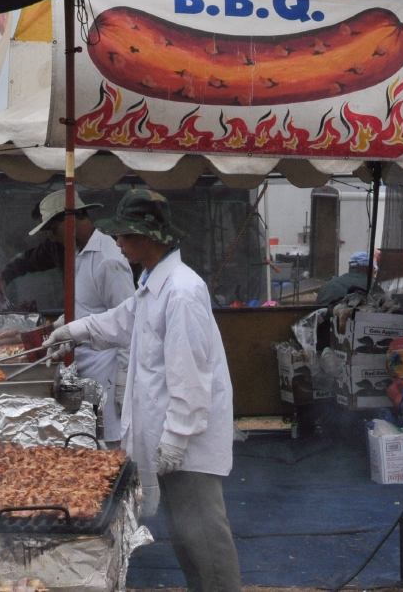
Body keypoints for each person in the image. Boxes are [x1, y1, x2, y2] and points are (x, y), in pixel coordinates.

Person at [44, 190, 241, 592]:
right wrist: (75, 331)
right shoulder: (153, 284)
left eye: (124, 236)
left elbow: (191, 376)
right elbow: (122, 321)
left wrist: (177, 437)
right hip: (172, 442)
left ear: (147, 238)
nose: (117, 243)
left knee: (206, 541)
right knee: (189, 540)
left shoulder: (183, 292)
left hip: (190, 447)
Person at [0, 191, 135, 443]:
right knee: (87, 444)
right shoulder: (78, 255)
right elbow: (86, 308)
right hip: (84, 370)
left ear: (69, 221)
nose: (50, 238)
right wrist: (60, 327)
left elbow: (129, 321)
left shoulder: (108, 260)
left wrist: (124, 378)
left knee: (111, 448)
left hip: (108, 374)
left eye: (51, 230)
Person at [315, 251, 382, 307]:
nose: (374, 275)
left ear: (350, 266)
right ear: (368, 269)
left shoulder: (326, 286)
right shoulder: (374, 288)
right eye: (374, 270)